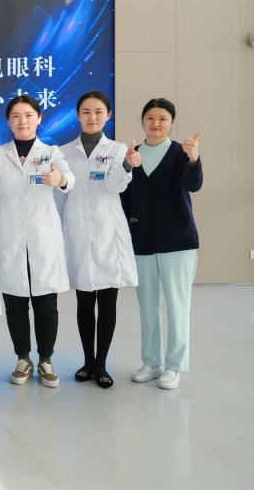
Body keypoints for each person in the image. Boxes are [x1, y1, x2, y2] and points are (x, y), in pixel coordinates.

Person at [0, 95, 74, 388]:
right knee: (15, 303)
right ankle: (23, 358)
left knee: (46, 304)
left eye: (28, 115)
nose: (22, 121)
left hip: (42, 237)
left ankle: (46, 359)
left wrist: (59, 179)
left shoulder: (51, 152)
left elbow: (70, 180)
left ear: (38, 118)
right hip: (9, 237)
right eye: (16, 116)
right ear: (8, 121)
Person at [57, 91, 138, 389]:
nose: (92, 117)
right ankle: (87, 361)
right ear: (78, 115)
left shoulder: (118, 150)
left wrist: (127, 165)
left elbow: (116, 186)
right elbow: (59, 196)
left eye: (98, 112)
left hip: (108, 232)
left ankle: (102, 364)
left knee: (107, 301)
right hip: (77, 230)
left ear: (108, 115)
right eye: (87, 112)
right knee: (83, 300)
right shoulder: (63, 152)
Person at [121, 98, 202, 390]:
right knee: (147, 305)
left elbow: (193, 185)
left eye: (163, 118)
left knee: (178, 305)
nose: (156, 123)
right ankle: (151, 362)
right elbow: (123, 197)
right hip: (143, 240)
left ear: (172, 122)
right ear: (143, 120)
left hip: (178, 240)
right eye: (150, 117)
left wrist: (194, 159)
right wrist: (127, 168)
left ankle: (175, 366)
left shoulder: (181, 153)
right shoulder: (133, 155)